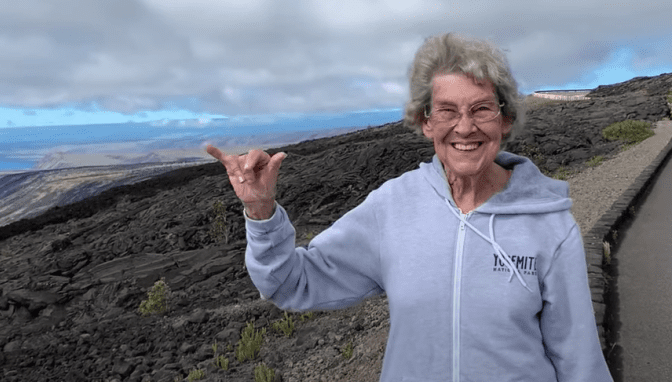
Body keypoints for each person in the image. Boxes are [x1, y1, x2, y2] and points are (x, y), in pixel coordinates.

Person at [206, 33, 612, 382]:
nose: (465, 127)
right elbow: (291, 283)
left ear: (505, 120)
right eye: (447, 111)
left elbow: (579, 360)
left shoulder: (551, 225)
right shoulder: (392, 207)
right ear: (425, 122)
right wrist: (262, 213)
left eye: (482, 108)